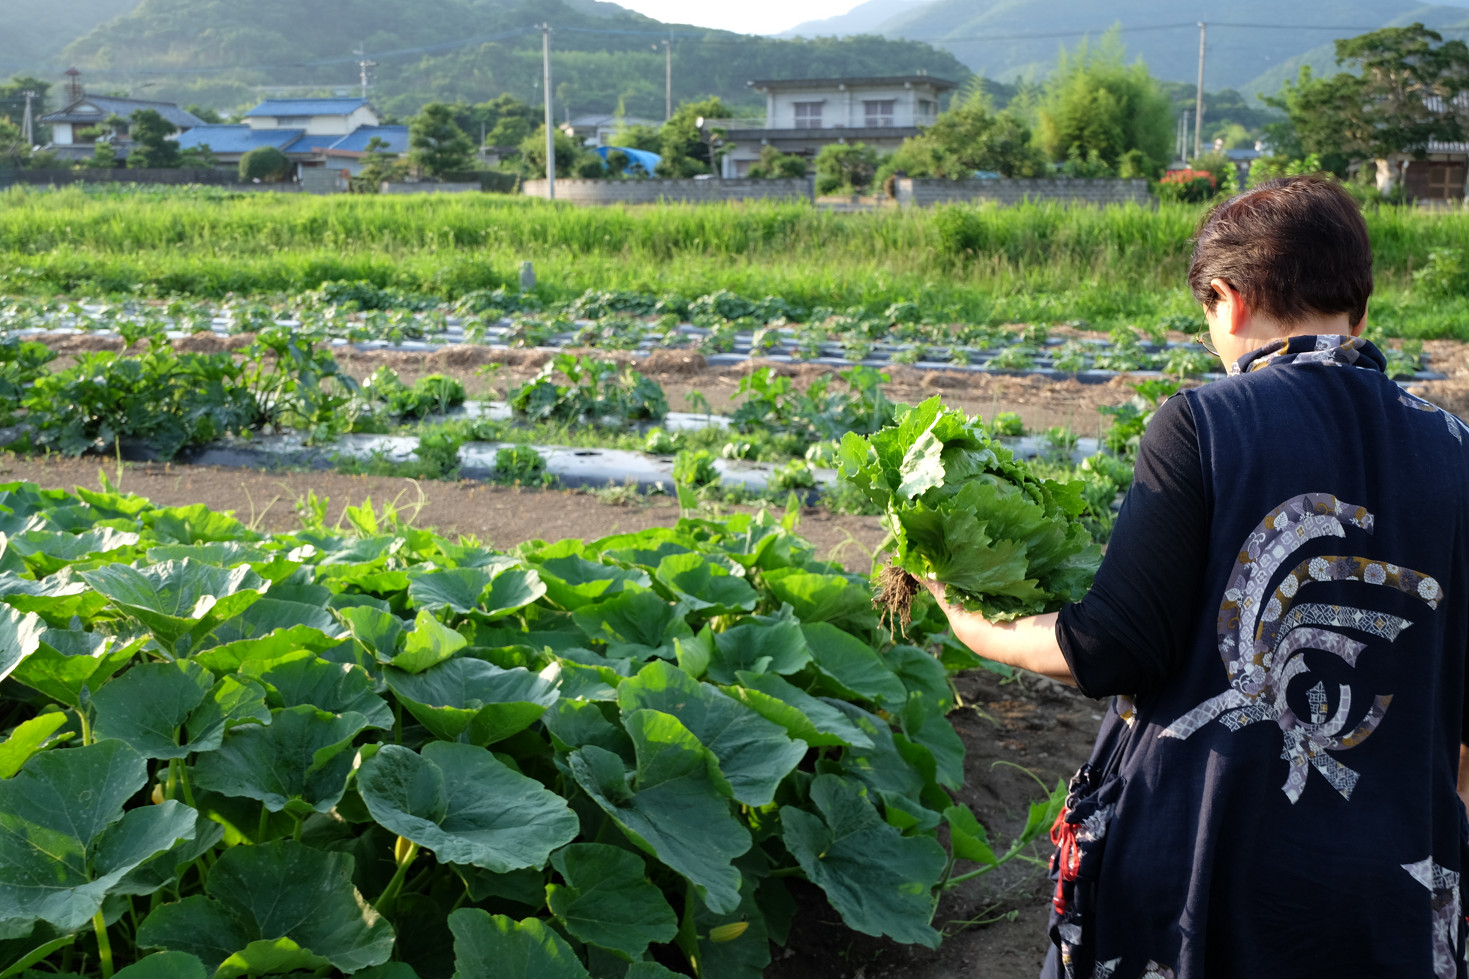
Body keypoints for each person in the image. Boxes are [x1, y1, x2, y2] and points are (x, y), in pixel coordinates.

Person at [924, 174, 1469, 978]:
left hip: (1203, 865)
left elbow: (1109, 647)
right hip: (1390, 887)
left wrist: (968, 622)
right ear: (1359, 306)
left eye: (1209, 313)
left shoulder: (1205, 422)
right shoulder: (1456, 446)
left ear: (1228, 297)